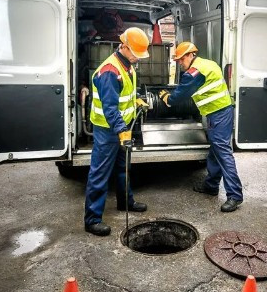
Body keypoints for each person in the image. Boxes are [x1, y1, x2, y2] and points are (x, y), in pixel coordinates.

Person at [159, 42, 243, 212]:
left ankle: (235, 195)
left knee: (223, 153)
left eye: (182, 59)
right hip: (222, 111)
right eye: (178, 60)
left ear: (191, 55)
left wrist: (166, 98)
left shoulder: (193, 73)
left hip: (218, 114)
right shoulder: (209, 64)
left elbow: (178, 97)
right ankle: (211, 186)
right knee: (216, 151)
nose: (180, 63)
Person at [84, 27, 150, 236]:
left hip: (122, 126)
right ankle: (92, 219)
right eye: (136, 54)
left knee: (124, 168)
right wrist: (121, 130)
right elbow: (110, 108)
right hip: (108, 130)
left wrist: (136, 100)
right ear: (124, 46)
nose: (138, 58)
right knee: (100, 173)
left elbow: (124, 95)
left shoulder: (127, 64)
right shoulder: (110, 72)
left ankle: (125, 202)